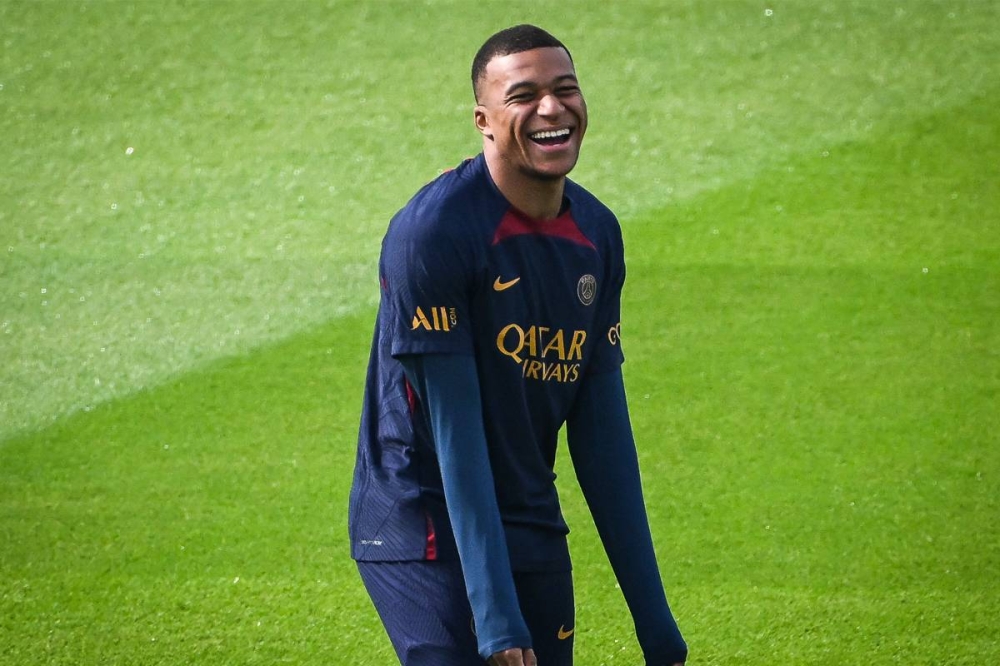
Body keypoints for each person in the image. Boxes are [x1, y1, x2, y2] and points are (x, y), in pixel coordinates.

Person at [349, 24, 687, 666]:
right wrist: (497, 617)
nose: (552, 109)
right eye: (524, 96)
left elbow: (604, 438)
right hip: (423, 521)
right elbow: (457, 438)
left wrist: (655, 622)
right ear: (483, 120)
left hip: (528, 511)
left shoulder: (597, 233)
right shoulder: (433, 233)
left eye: (566, 90)